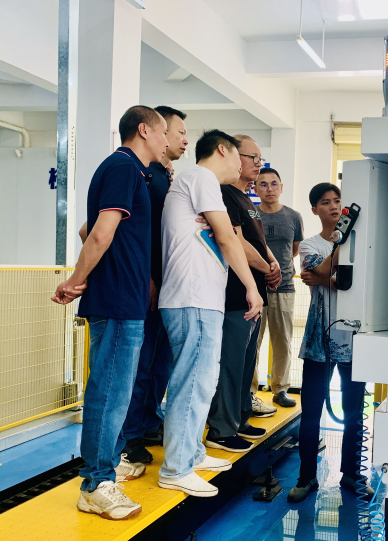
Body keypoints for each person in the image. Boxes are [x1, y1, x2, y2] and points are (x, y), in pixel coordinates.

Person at [52, 105, 168, 520]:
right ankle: (96, 484)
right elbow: (99, 233)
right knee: (110, 393)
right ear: (144, 130)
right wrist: (75, 280)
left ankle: (104, 472)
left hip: (126, 298)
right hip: (117, 299)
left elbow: (95, 230)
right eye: (163, 133)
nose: (167, 141)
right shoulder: (122, 167)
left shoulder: (133, 172)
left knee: (116, 391)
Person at [157, 130, 263, 497]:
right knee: (193, 383)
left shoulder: (195, 183)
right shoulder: (201, 176)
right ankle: (176, 468)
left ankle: (192, 453)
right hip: (193, 298)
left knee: (202, 382)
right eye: (240, 157)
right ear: (222, 150)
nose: (243, 166)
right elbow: (227, 237)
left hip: (198, 299)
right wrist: (251, 287)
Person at [287, 183, 373, 503]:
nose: (334, 207)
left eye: (337, 201)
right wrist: (338, 244)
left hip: (353, 340)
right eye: (326, 202)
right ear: (315, 210)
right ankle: (306, 477)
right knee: (311, 412)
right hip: (318, 341)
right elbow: (322, 270)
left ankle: (351, 474)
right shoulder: (311, 244)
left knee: (354, 413)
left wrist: (324, 279)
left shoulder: (360, 244)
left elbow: (352, 283)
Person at [119, 106, 189, 465]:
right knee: (141, 364)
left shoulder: (163, 176)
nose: (183, 140)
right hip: (147, 284)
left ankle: (148, 421)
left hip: (168, 284)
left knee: (161, 362)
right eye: (177, 133)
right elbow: (134, 233)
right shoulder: (138, 174)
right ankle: (129, 434)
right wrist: (145, 276)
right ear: (153, 131)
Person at [205, 135, 281, 453]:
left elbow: (257, 240)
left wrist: (272, 264)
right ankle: (221, 429)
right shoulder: (224, 193)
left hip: (255, 294)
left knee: (247, 363)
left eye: (260, 158)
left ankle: (239, 418)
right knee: (231, 364)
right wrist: (266, 268)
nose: (258, 164)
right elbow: (236, 241)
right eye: (252, 157)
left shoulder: (246, 199)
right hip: (236, 294)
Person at [251, 167, 303, 408]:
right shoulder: (251, 215)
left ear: (281, 188)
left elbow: (293, 249)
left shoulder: (293, 217)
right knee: (252, 343)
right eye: (263, 184)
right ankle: (249, 390)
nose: (269, 189)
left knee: (282, 342)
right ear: (255, 189)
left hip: (284, 287)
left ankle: (280, 389)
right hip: (254, 288)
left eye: (274, 184)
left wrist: (278, 269)